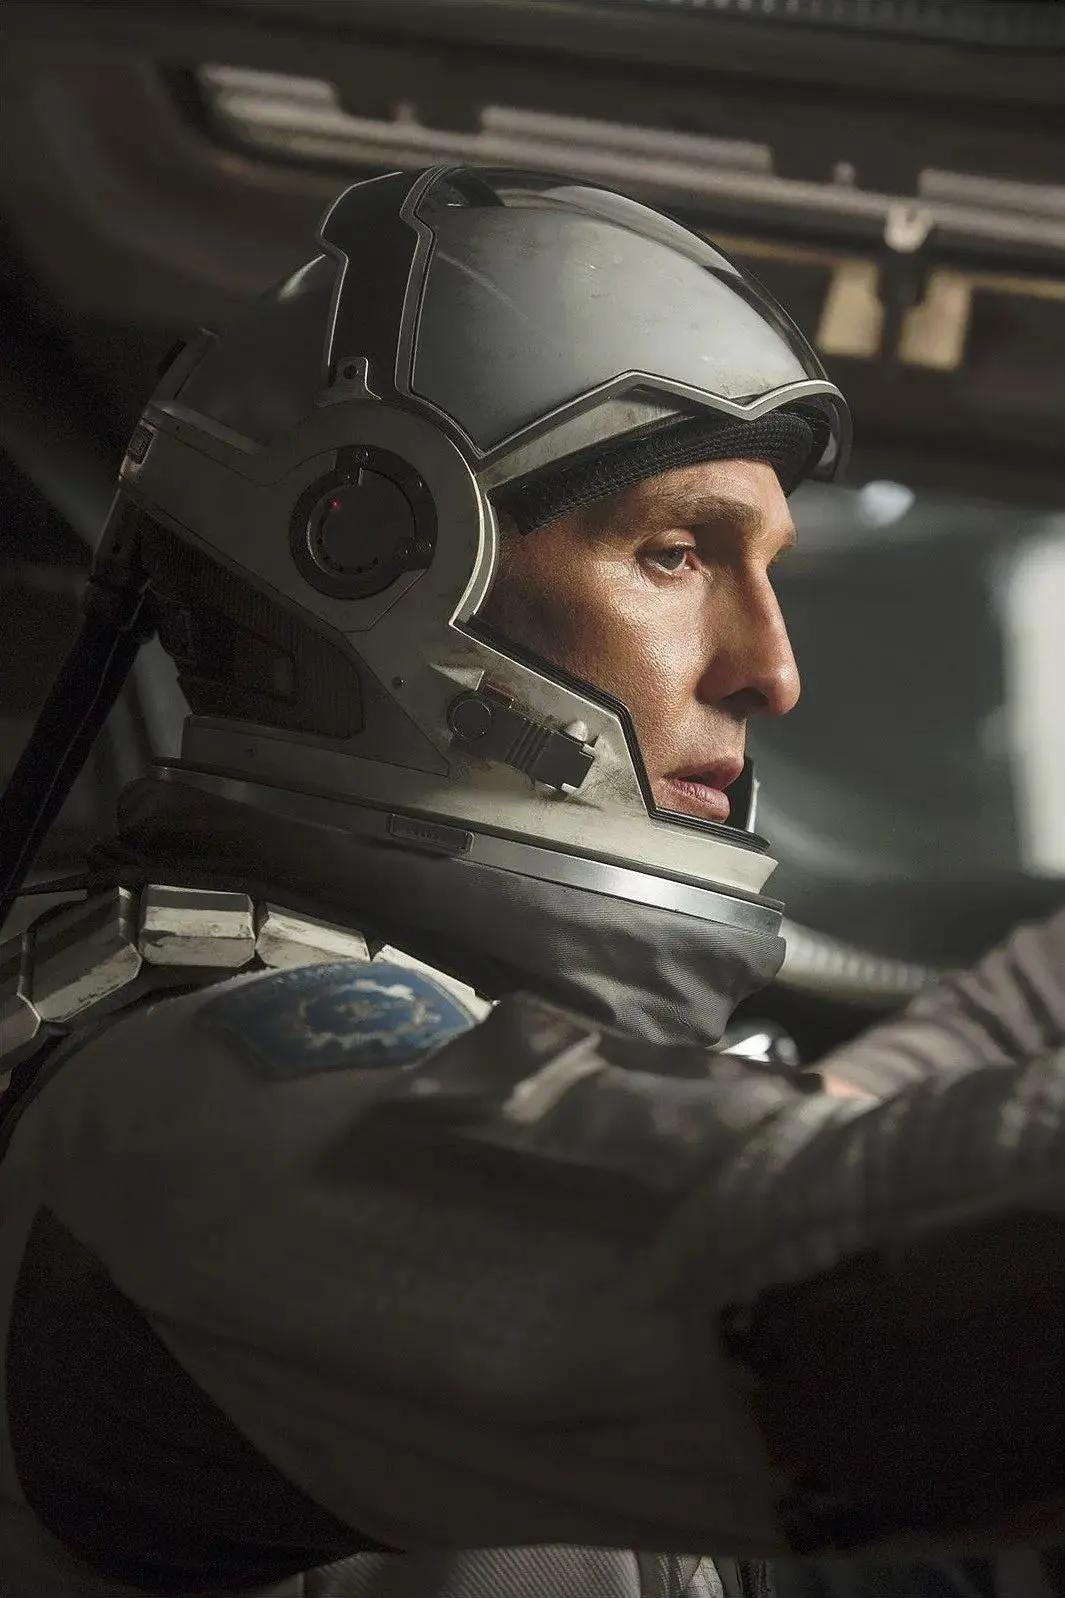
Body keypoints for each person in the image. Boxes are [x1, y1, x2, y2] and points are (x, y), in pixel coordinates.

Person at [1, 164, 1064, 1598]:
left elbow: (788, 1158)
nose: (771, 670)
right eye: (675, 554)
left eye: (766, 573)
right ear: (375, 564)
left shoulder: (312, 1031)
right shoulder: (212, 1106)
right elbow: (813, 1280)